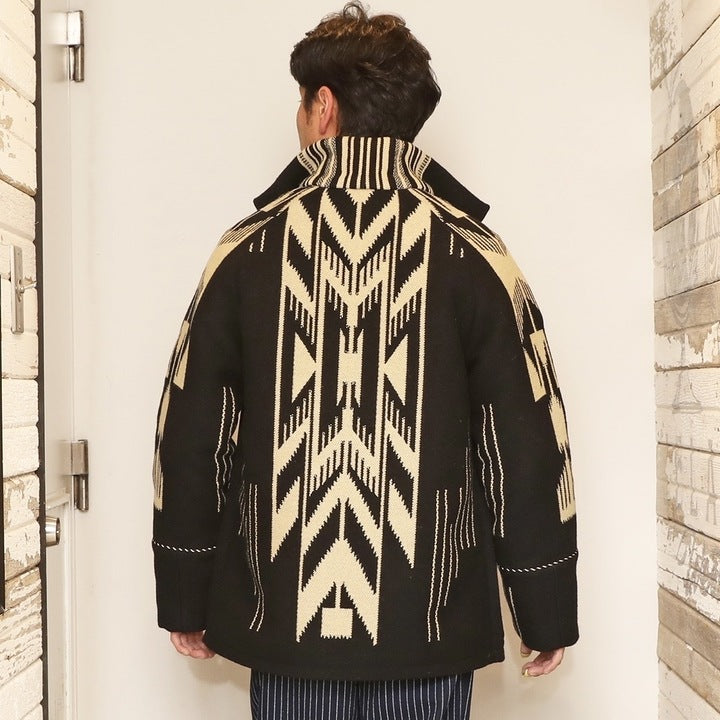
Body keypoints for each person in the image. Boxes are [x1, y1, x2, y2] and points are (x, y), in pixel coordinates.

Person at [152, 3, 579, 719]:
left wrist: (185, 590)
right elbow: (527, 442)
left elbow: (194, 431)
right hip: (429, 626)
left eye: (301, 103)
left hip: (288, 632)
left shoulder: (246, 249)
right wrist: (544, 606)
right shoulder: (477, 254)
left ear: (323, 107)